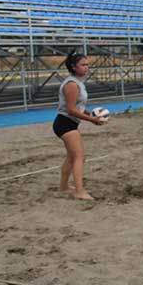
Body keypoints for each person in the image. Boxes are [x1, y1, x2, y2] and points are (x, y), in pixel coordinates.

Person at [53, 52, 106, 201]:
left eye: (87, 64)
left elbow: (78, 107)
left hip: (68, 122)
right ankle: (80, 191)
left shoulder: (77, 82)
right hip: (65, 123)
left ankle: (63, 187)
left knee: (71, 156)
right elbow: (70, 109)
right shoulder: (71, 84)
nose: (86, 67)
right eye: (83, 65)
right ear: (73, 67)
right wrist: (91, 120)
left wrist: (92, 115)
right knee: (79, 157)